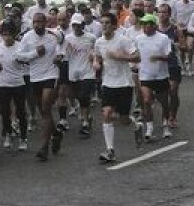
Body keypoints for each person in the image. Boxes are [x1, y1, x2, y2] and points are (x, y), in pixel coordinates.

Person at [93, 11, 139, 162]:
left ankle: (136, 123)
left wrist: (122, 57)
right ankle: (110, 150)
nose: (104, 26)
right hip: (108, 83)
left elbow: (137, 56)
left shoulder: (123, 40)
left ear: (114, 26)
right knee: (106, 114)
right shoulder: (99, 42)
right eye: (102, 23)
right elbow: (98, 56)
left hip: (125, 83)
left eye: (107, 23)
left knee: (123, 120)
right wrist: (96, 62)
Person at [17, 11, 62, 161]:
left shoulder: (52, 37)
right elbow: (19, 56)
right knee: (43, 112)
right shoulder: (27, 37)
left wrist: (58, 57)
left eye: (40, 22)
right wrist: (34, 53)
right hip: (34, 77)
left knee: (45, 108)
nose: (38, 25)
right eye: (35, 22)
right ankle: (55, 133)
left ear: (46, 23)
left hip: (50, 75)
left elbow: (60, 51)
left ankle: (44, 147)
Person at [133, 14, 172, 143]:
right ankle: (149, 128)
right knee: (146, 100)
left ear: (154, 25)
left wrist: (159, 57)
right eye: (144, 24)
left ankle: (165, 125)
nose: (145, 26)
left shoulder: (163, 38)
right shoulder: (138, 39)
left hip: (161, 75)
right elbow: (135, 54)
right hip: (145, 75)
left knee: (164, 103)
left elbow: (169, 56)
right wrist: (133, 64)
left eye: (148, 24)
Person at [0, 21, 29, 151]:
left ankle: (23, 138)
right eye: (4, 34)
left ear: (14, 35)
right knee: (5, 112)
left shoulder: (20, 47)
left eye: (9, 34)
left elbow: (26, 61)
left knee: (21, 112)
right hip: (3, 84)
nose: (7, 37)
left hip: (18, 83)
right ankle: (8, 134)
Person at [63, 12, 98, 138]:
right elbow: (64, 55)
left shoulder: (91, 38)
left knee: (84, 96)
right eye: (74, 25)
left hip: (88, 72)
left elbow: (96, 51)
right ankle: (87, 116)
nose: (76, 28)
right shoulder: (68, 39)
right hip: (73, 72)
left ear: (83, 25)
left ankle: (84, 123)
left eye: (78, 25)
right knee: (75, 96)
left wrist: (94, 58)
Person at [157, 3, 183, 129]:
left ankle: (172, 116)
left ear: (169, 14)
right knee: (162, 94)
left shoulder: (175, 29)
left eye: (164, 12)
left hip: (173, 64)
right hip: (158, 66)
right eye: (160, 12)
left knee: (172, 91)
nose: (162, 15)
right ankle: (165, 114)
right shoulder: (154, 29)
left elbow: (184, 47)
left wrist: (174, 45)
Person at [173, 0, 194, 76]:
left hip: (190, 28)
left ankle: (190, 66)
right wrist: (177, 23)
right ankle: (183, 66)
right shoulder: (177, 5)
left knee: (190, 47)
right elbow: (173, 17)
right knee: (182, 50)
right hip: (180, 29)